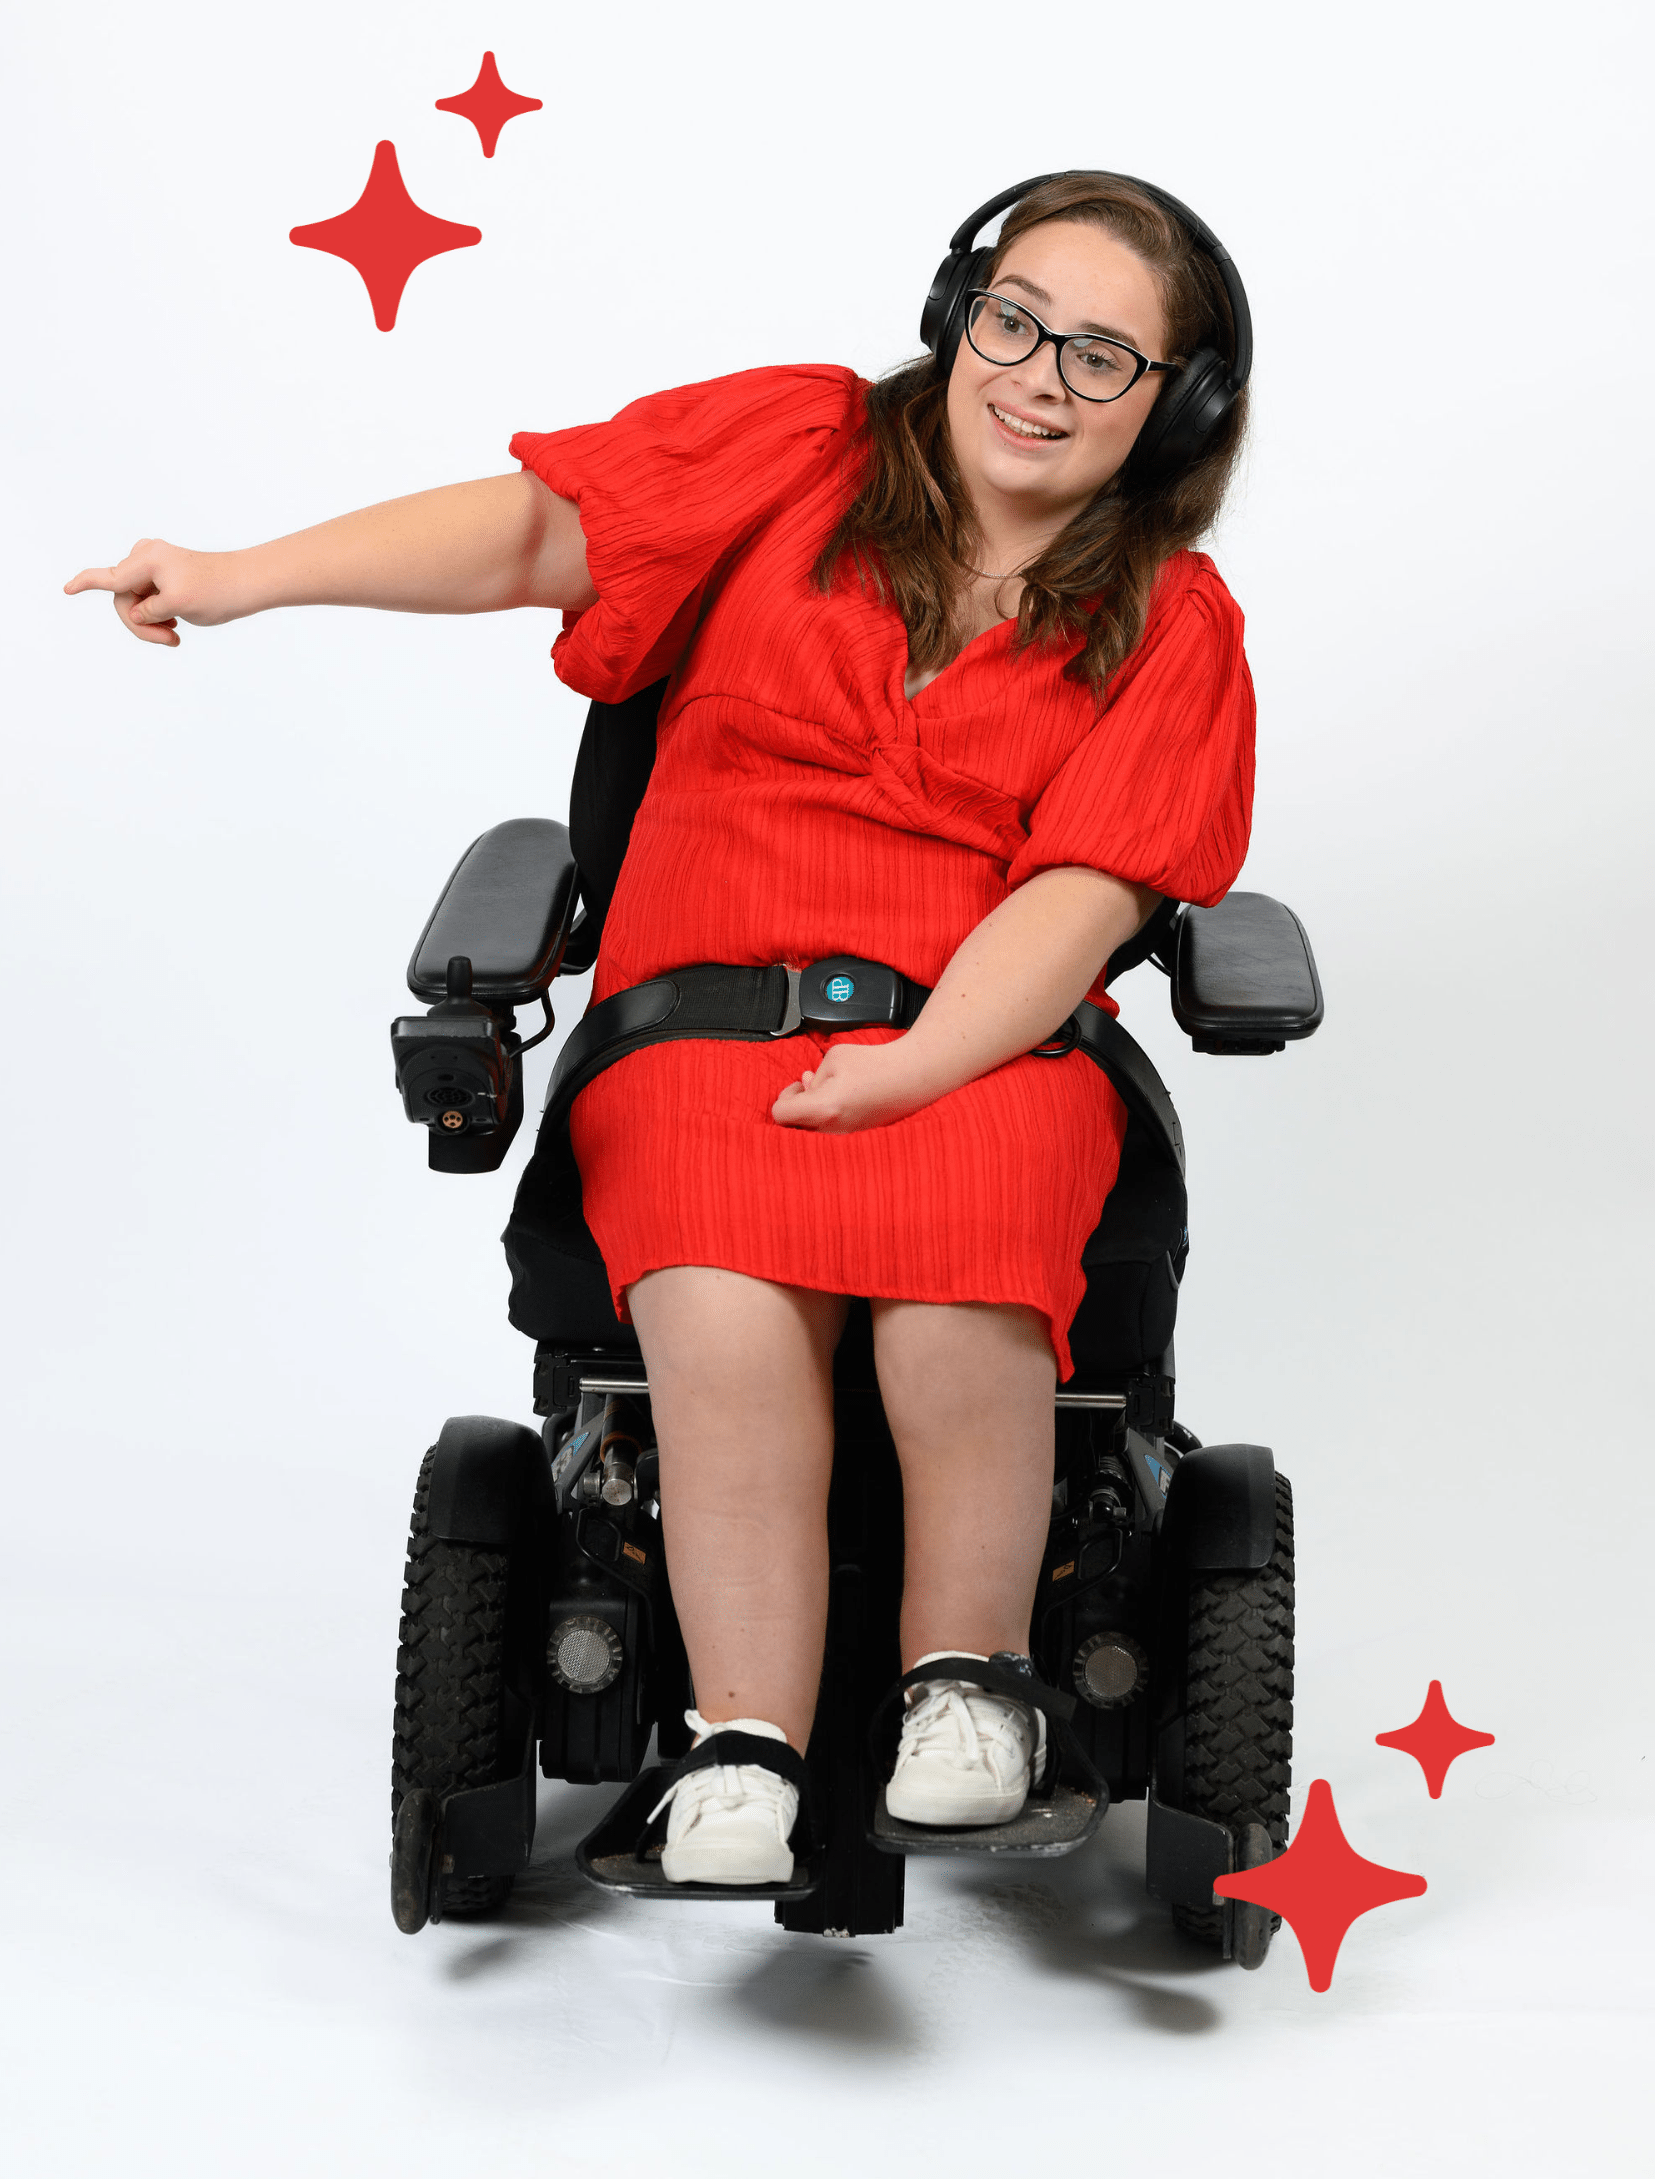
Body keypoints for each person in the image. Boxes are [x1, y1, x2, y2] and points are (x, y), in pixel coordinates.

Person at [67, 171, 1255, 1886]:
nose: (1036, 377)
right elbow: (530, 536)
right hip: (701, 1031)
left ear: (1174, 408)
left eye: (1100, 356)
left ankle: (968, 1689)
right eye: (1014, 320)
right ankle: (742, 1748)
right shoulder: (797, 455)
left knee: (960, 1274)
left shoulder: (1168, 622)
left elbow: (1074, 902)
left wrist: (915, 1068)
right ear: (957, 314)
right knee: (718, 1302)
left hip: (986, 1039)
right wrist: (242, 576)